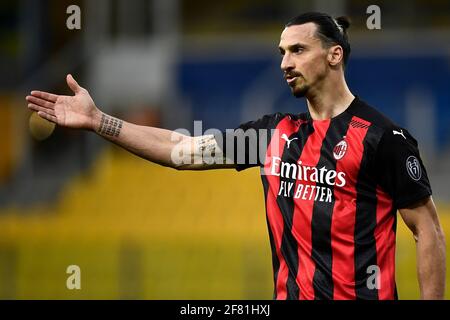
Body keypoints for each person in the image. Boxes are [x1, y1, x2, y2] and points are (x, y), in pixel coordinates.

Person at [25, 12, 445, 300]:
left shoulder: (382, 138)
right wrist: (101, 121)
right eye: (281, 52)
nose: (285, 62)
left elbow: (427, 229)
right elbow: (180, 150)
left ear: (334, 55)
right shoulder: (272, 134)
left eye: (297, 50)